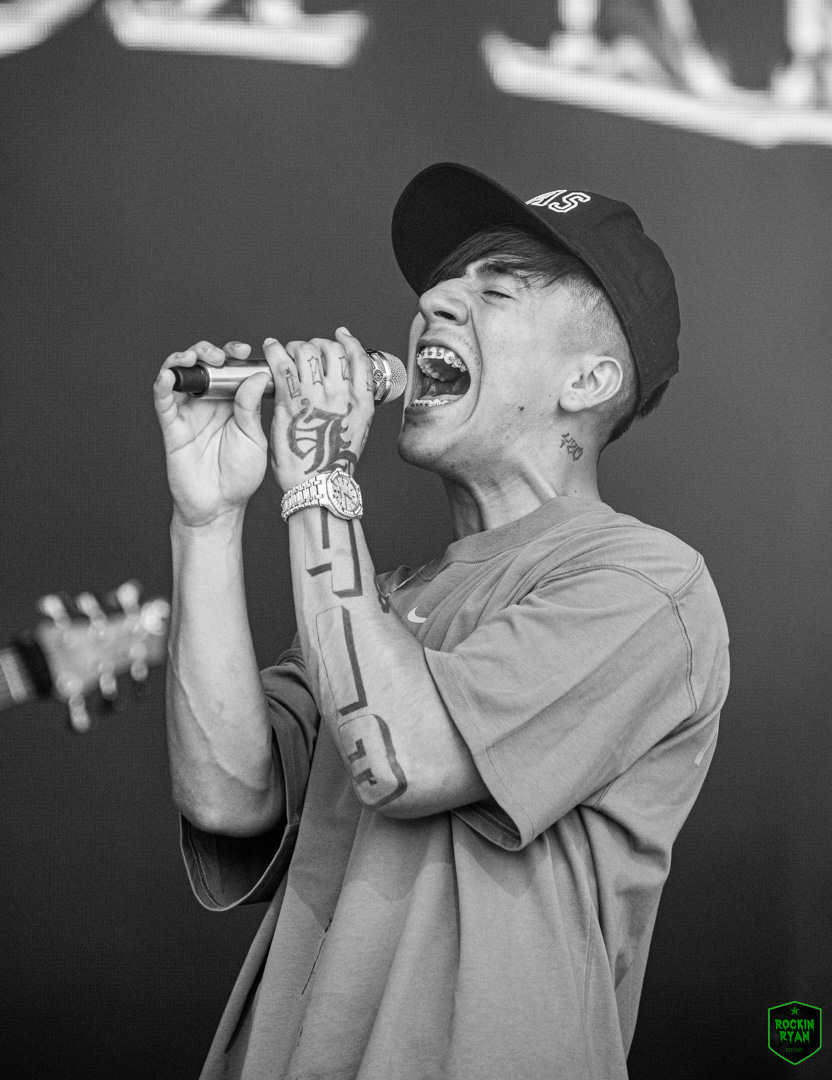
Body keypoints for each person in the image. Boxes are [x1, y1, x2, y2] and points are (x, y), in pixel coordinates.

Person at [153, 162, 729, 1080]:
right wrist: (208, 520)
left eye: (495, 291)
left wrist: (318, 476)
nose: (432, 304)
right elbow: (228, 795)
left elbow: (405, 759)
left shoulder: (645, 585)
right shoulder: (377, 600)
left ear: (589, 379)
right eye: (441, 285)